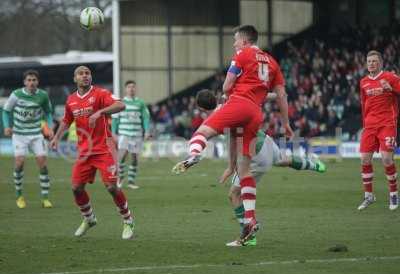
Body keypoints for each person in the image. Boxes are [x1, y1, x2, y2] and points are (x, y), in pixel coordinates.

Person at [173, 25, 293, 244]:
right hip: (256, 113)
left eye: (236, 40)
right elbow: (282, 95)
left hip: (239, 103)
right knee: (244, 170)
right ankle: (250, 221)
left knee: (201, 132)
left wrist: (229, 96)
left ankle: (195, 153)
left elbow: (228, 85)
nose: (234, 44)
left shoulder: (242, 54)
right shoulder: (273, 63)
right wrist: (285, 123)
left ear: (245, 41)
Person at [196, 89, 326, 246]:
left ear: (202, 109)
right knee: (284, 160)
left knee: (234, 195)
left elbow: (232, 141)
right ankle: (314, 165)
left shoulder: (219, 118)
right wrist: (276, 95)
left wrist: (230, 167)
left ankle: (248, 235)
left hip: (254, 154)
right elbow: (257, 96)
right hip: (265, 140)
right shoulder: (230, 99)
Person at [50, 66, 135, 239]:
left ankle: (128, 220)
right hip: (85, 152)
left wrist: (100, 112)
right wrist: (56, 137)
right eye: (81, 74)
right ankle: (89, 219)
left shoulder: (100, 93)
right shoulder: (71, 100)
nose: (85, 76)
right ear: (75, 79)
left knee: (111, 187)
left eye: (87, 73)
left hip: (104, 149)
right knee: (76, 188)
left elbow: (121, 104)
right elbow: (67, 120)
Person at [2, 69, 54, 209]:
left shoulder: (43, 95)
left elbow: (48, 112)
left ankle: (45, 198)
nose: (31, 82)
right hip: (19, 135)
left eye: (34, 80)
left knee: (42, 163)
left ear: (38, 82)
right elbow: (6, 111)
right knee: (19, 163)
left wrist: (49, 128)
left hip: (36, 134)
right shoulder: (16, 95)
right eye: (29, 80)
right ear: (24, 82)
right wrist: (7, 126)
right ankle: (19, 196)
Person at [358, 50, 400, 211]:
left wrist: (391, 89)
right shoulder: (363, 82)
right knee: (364, 160)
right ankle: (369, 196)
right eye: (369, 61)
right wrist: (365, 123)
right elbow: (364, 104)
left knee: (387, 160)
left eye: (374, 61)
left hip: (387, 124)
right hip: (369, 125)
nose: (371, 64)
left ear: (380, 63)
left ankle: (394, 194)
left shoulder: (391, 77)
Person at [111, 80, 150, 189]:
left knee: (134, 158)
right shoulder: (121, 102)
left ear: (135, 88)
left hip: (137, 134)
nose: (131, 89)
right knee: (122, 156)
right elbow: (115, 119)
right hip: (124, 134)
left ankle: (131, 182)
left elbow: (146, 118)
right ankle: (120, 178)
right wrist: (114, 133)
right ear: (125, 89)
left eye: (133, 87)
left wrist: (146, 131)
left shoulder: (140, 103)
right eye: (129, 87)